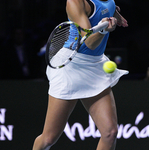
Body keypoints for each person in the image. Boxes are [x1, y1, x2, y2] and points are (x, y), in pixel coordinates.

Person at [32, 0, 128, 149]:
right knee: (49, 138)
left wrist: (115, 14)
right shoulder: (75, 2)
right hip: (71, 66)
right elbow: (89, 42)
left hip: (94, 65)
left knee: (110, 133)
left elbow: (108, 6)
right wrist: (103, 30)